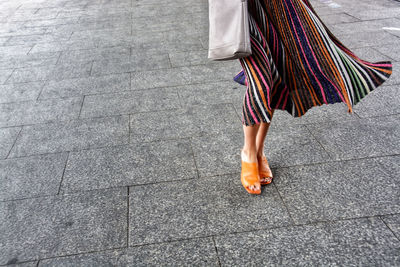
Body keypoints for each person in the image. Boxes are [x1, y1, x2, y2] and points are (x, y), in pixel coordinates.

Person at [234, 0, 393, 194]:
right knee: (261, 80)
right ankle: (248, 152)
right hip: (244, 10)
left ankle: (259, 150)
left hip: (280, 7)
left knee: (279, 74)